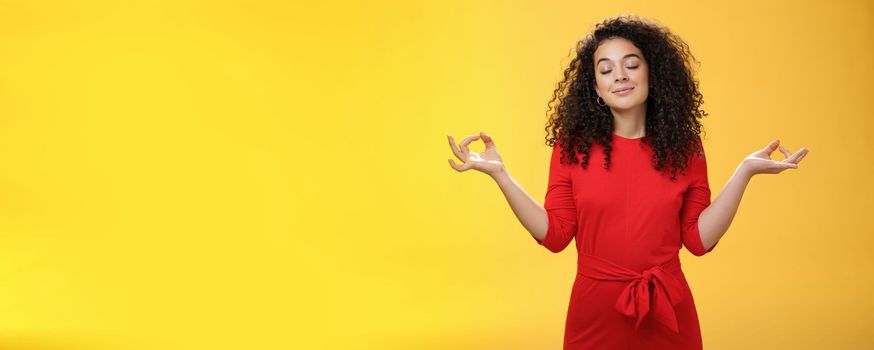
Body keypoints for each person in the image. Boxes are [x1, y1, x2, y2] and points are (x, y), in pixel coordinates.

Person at [446, 15, 809, 350]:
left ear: (652, 75)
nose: (620, 75)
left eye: (631, 64)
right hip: (595, 313)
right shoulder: (572, 147)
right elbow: (555, 235)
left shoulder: (685, 147)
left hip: (669, 312)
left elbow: (698, 240)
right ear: (597, 88)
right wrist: (500, 174)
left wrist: (743, 172)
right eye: (606, 70)